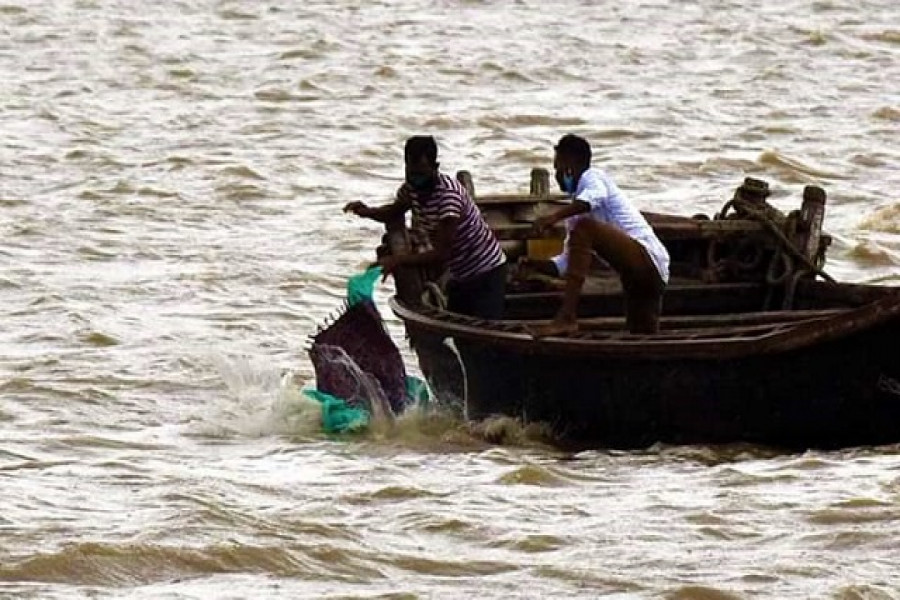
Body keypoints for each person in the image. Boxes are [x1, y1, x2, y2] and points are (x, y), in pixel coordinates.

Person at [344, 135, 508, 319]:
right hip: (460, 274)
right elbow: (393, 212)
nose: (416, 181)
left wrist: (397, 260)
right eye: (411, 173)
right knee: (455, 324)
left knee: (482, 328)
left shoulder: (448, 198)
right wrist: (366, 211)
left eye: (421, 175)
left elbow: (441, 253)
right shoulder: (411, 189)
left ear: (435, 167)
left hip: (486, 270)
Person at [525, 134, 669, 336]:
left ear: (569, 166)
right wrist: (535, 265)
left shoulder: (592, 178)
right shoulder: (576, 213)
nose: (558, 176)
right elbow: (567, 263)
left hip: (649, 259)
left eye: (558, 168)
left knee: (584, 228)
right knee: (641, 334)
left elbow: (595, 196)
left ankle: (567, 317)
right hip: (635, 277)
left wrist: (553, 217)